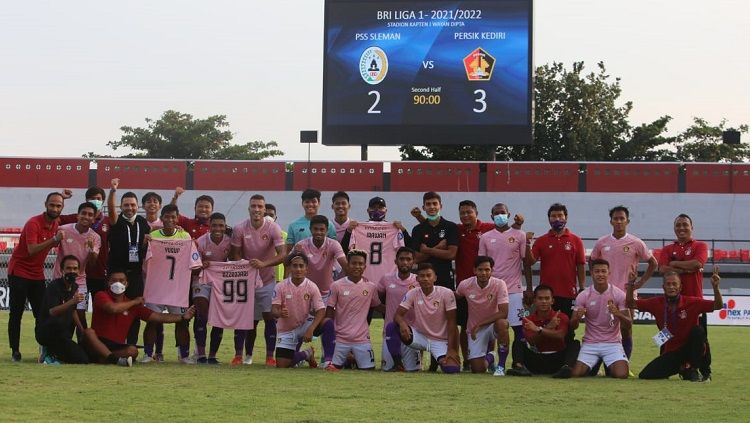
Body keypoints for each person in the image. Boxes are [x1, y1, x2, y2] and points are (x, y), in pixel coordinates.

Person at [84, 270, 195, 366]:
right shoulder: (101, 295)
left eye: (121, 280)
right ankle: (111, 359)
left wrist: (182, 317)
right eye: (114, 280)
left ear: (126, 284)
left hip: (116, 346)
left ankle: (105, 358)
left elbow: (157, 316)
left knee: (133, 351)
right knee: (89, 332)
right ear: (108, 283)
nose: (118, 283)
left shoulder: (133, 306)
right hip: (97, 341)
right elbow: (113, 308)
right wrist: (135, 301)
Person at [628, 269, 721, 382]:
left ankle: (695, 369)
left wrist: (716, 288)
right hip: (673, 351)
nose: (671, 287)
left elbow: (717, 305)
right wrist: (631, 284)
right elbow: (630, 303)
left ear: (680, 287)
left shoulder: (692, 302)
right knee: (645, 375)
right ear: (663, 287)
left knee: (699, 331)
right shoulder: (656, 303)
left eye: (674, 284)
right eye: (668, 284)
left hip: (691, 348)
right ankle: (683, 368)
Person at [590, 205, 657, 361]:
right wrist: (596, 281)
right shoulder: (602, 242)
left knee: (626, 329)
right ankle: (604, 364)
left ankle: (624, 363)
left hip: (627, 294)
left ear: (628, 221)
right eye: (616, 219)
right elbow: (592, 261)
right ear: (611, 221)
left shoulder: (636, 242)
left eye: (622, 219)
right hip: (605, 293)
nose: (619, 221)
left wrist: (640, 283)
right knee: (603, 330)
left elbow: (653, 263)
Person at [7, 191, 65, 362]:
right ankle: (15, 351)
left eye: (58, 205)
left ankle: (44, 349)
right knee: (16, 313)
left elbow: (76, 216)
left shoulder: (57, 221)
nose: (55, 208)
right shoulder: (34, 223)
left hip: (36, 274)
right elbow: (32, 249)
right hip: (19, 272)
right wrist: (54, 239)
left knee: (42, 314)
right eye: (52, 205)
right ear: (45, 205)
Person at [230, 194, 285, 366]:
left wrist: (263, 264)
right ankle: (242, 355)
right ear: (249, 208)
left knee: (269, 317)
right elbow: (235, 254)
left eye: (260, 206)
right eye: (253, 206)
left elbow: (283, 254)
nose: (256, 209)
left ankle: (270, 356)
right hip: (246, 281)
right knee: (246, 319)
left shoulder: (273, 228)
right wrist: (246, 266)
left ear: (264, 209)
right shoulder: (240, 228)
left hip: (267, 280)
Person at [142, 204, 200, 363]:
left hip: (177, 288)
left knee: (182, 321)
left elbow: (195, 265)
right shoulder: (153, 236)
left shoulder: (185, 237)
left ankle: (184, 355)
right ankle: (148, 354)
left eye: (173, 217)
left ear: (177, 218)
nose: (169, 219)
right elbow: (145, 261)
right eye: (166, 216)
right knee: (152, 321)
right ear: (162, 218)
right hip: (156, 287)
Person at [477, 202, 531, 371]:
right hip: (492, 290)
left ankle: (518, 362)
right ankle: (491, 360)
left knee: (518, 328)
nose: (500, 215)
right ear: (492, 217)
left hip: (514, 291)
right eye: (496, 213)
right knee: (492, 327)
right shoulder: (486, 237)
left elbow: (527, 263)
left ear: (508, 215)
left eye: (503, 212)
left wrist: (528, 288)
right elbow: (482, 265)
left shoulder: (520, 235)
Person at [657, 213, 712, 378]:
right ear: (674, 228)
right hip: (671, 303)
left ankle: (704, 370)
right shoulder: (667, 249)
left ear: (691, 227)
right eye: (678, 225)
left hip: (695, 302)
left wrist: (673, 264)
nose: (681, 228)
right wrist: (686, 269)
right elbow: (661, 269)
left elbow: (697, 264)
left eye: (685, 225)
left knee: (700, 337)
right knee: (664, 333)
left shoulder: (700, 246)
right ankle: (663, 365)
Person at [385, 263, 461, 374]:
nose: (425, 279)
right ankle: (398, 365)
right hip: (419, 337)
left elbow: (452, 323)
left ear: (435, 277)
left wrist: (451, 349)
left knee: (452, 369)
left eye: (428, 275)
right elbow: (397, 315)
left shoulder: (446, 293)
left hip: (439, 340)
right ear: (417, 279)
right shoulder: (412, 293)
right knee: (392, 327)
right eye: (422, 276)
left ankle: (436, 360)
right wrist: (402, 324)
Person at [567, 259, 631, 379]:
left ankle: (606, 365)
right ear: (591, 273)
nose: (600, 274)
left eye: (603, 271)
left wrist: (618, 314)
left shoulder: (619, 294)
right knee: (575, 374)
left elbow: (628, 324)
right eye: (597, 271)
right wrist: (577, 318)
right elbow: (572, 326)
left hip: (612, 343)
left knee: (621, 375)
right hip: (590, 343)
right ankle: (596, 367)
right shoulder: (584, 295)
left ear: (609, 273)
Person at [106, 178, 150, 344]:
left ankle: (131, 345)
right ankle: (113, 343)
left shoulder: (142, 222)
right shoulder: (116, 221)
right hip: (117, 273)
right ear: (121, 207)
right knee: (115, 309)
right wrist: (113, 191)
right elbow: (111, 210)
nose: (130, 208)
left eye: (132, 205)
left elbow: (146, 243)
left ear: (137, 206)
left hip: (136, 275)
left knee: (135, 310)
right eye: (126, 205)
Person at [272, 252, 334, 368]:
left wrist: (311, 329)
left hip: (305, 325)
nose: (298, 269)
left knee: (328, 322)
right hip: (286, 330)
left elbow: (321, 310)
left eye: (301, 266)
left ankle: (328, 361)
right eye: (295, 266)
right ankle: (307, 354)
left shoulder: (312, 286)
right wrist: (279, 313)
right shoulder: (280, 286)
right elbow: (273, 310)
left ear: (306, 269)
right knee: (282, 365)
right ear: (289, 268)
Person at [325, 250, 383, 371]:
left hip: (362, 339)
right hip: (340, 339)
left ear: (365, 266)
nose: (357, 266)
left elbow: (378, 306)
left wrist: (400, 309)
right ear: (347, 265)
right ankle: (346, 359)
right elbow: (329, 311)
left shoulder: (371, 287)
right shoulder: (337, 285)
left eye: (360, 264)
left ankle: (352, 359)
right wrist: (331, 337)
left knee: (369, 372)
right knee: (333, 371)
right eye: (354, 263)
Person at [506, 285, 581, 377]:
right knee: (518, 341)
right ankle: (519, 367)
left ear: (552, 301)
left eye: (547, 298)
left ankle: (566, 368)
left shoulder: (561, 316)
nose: (544, 301)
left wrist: (539, 329)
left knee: (575, 343)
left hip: (558, 360)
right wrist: (549, 327)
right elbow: (531, 341)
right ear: (534, 301)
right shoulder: (528, 319)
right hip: (537, 359)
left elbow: (560, 335)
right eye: (540, 298)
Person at [525, 203, 585, 317]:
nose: (557, 219)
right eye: (553, 216)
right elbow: (530, 262)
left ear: (566, 218)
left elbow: (580, 265)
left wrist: (582, 288)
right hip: (546, 295)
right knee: (545, 327)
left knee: (567, 329)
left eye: (560, 215)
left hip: (568, 293)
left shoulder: (576, 240)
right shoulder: (541, 240)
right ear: (549, 219)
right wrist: (527, 244)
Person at [454, 256, 510, 375]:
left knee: (502, 323)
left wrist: (480, 324)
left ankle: (501, 366)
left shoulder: (500, 284)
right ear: (474, 270)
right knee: (478, 370)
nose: (484, 273)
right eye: (480, 270)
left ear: (492, 271)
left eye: (487, 270)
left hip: (491, 326)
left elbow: (504, 313)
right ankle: (491, 356)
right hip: (475, 329)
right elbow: (456, 295)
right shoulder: (465, 284)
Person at [190, 212, 232, 364]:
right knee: (202, 310)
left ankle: (213, 356)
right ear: (209, 225)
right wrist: (201, 265)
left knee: (218, 318)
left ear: (225, 226)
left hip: (221, 282)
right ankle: (201, 354)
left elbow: (235, 260)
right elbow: (192, 267)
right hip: (202, 279)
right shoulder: (200, 242)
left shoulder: (229, 242)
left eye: (221, 225)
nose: (217, 228)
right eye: (214, 225)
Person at [53, 202, 101, 332]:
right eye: (83, 213)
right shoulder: (64, 229)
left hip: (79, 282)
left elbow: (92, 263)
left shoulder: (95, 237)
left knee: (80, 315)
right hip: (59, 279)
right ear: (78, 215)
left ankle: (82, 347)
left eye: (90, 215)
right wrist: (56, 239)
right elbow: (51, 244)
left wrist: (91, 249)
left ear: (94, 218)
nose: (86, 217)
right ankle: (49, 348)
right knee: (58, 315)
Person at [341, 196, 409, 284]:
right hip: (365, 279)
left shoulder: (394, 229)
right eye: (373, 207)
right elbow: (344, 250)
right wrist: (349, 231)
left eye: (380, 207)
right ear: (368, 210)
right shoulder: (358, 228)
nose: (377, 210)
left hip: (387, 280)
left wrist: (403, 231)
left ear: (386, 210)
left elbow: (408, 249)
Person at [35, 255, 88, 365]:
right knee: (79, 358)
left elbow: (73, 311)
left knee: (82, 358)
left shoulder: (75, 287)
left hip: (63, 333)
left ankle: (53, 353)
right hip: (49, 331)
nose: (72, 271)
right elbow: (52, 311)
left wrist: (81, 329)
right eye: (68, 268)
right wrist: (72, 301)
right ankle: (48, 351)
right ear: (61, 270)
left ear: (79, 270)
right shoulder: (54, 286)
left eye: (75, 268)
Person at [59, 186, 110, 297]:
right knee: (72, 307)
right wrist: (61, 198)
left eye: (98, 198)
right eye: (92, 198)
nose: (96, 200)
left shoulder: (108, 221)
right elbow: (55, 217)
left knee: (99, 307)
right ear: (86, 200)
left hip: (99, 272)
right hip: (77, 273)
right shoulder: (78, 217)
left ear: (103, 201)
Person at [376, 247, 420, 371]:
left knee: (413, 371)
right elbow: (375, 299)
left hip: (411, 332)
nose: (405, 262)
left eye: (408, 259)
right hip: (390, 331)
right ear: (396, 261)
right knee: (388, 370)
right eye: (402, 259)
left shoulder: (418, 280)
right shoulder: (386, 278)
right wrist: (387, 309)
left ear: (413, 262)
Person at [290, 215, 348, 302]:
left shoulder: (333, 244)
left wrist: (344, 284)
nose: (318, 232)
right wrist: (294, 253)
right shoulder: (301, 245)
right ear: (310, 229)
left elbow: (345, 265)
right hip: (306, 293)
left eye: (322, 230)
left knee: (327, 316)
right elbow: (286, 262)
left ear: (327, 230)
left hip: (327, 294)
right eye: (315, 229)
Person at [264, 204, 287, 283]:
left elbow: (286, 258)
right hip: (261, 278)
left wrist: (285, 277)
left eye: (271, 215)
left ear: (275, 218)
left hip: (279, 278)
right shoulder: (254, 235)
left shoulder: (284, 235)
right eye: (265, 215)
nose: (268, 217)